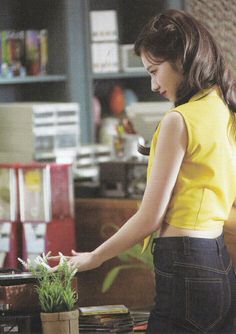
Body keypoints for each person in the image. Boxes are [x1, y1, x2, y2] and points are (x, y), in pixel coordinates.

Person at [52, 9, 236, 333]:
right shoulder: (224, 107)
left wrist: (93, 257)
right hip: (219, 264)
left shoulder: (179, 121)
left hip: (186, 266)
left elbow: (150, 217)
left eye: (154, 70)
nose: (153, 85)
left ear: (181, 58)